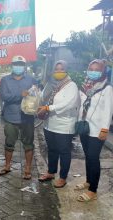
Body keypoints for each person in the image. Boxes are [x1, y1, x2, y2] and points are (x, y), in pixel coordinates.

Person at [75, 59, 113, 202]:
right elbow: (80, 105)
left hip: (98, 130)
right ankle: (88, 181)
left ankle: (93, 190)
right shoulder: (85, 86)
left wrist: (105, 128)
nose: (93, 71)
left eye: (96, 69)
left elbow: (108, 110)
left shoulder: (106, 88)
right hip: (85, 128)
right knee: (88, 156)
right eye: (91, 68)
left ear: (102, 71)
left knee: (93, 158)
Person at [37, 60, 80, 188]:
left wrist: (49, 108)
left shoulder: (71, 86)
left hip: (64, 125)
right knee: (52, 150)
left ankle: (63, 177)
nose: (58, 72)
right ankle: (51, 172)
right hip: (50, 124)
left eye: (61, 69)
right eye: (56, 69)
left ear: (66, 71)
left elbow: (69, 104)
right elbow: (43, 97)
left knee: (64, 151)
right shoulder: (52, 84)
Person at [0, 55, 36, 179]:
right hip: (10, 117)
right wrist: (20, 95)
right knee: (9, 143)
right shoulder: (5, 80)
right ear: (12, 65)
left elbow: (36, 95)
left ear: (24, 66)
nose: (18, 67)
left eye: (20, 64)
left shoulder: (31, 79)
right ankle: (7, 165)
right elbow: (4, 96)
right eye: (16, 64)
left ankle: (28, 169)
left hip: (27, 117)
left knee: (28, 144)